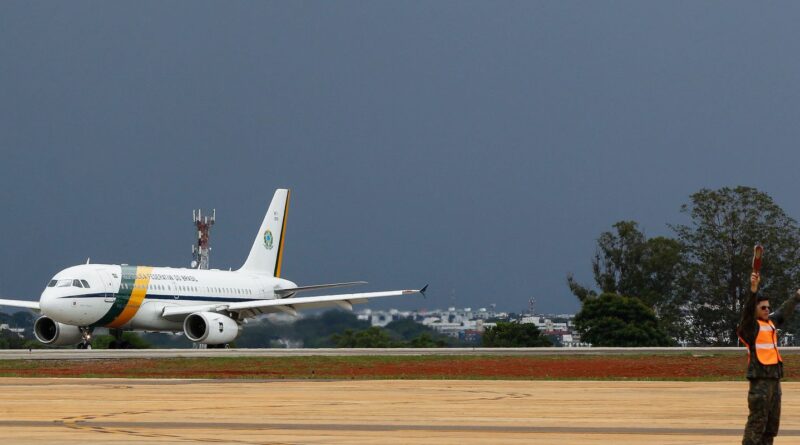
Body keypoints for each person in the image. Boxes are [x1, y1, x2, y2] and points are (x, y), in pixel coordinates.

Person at [738, 272, 800, 445]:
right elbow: (747, 312)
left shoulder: (771, 323)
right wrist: (753, 290)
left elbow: (783, 311)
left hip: (774, 380)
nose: (767, 310)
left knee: (771, 426)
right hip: (760, 382)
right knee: (757, 425)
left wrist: (796, 297)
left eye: (768, 307)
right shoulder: (750, 327)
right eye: (763, 307)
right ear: (755, 309)